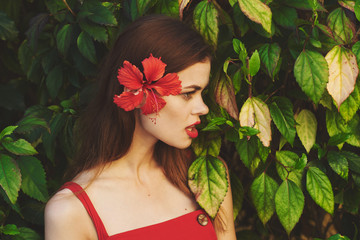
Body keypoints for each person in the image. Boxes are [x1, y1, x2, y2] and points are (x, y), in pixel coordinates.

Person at [44, 15, 236, 240]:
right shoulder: (71, 212)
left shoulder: (206, 178)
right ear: (138, 92)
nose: (203, 108)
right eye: (187, 94)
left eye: (201, 93)